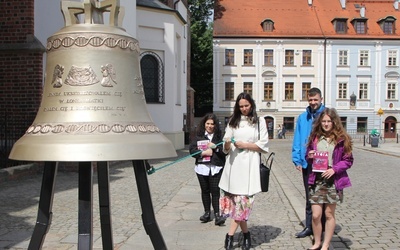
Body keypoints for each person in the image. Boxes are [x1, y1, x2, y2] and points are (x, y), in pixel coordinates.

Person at [219, 92, 269, 250]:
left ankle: (230, 236)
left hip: (249, 166)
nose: (244, 109)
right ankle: (246, 234)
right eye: (241, 106)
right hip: (234, 167)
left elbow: (264, 145)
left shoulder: (259, 121)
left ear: (252, 104)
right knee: (237, 204)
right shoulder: (233, 121)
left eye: (246, 105)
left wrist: (245, 145)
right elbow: (225, 149)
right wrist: (227, 143)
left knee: (243, 204)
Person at [305, 108, 353, 250]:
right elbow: (308, 156)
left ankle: (325, 245)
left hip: (333, 180)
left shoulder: (342, 139)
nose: (326, 124)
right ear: (320, 123)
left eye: (328, 121)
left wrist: (335, 169)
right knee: (315, 215)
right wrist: (310, 155)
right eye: (323, 121)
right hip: (316, 179)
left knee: (329, 214)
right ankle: (317, 242)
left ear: (334, 122)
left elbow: (348, 160)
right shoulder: (314, 137)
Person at [292, 87, 325, 238]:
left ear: (321, 99)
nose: (313, 103)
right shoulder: (302, 117)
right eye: (310, 100)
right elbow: (297, 139)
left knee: (324, 196)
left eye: (315, 100)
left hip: (325, 163)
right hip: (308, 163)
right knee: (310, 195)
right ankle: (309, 226)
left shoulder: (327, 115)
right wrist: (297, 159)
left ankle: (322, 226)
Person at [189, 113, 226, 226]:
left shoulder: (219, 137)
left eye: (212, 124)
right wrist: (203, 153)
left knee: (215, 191)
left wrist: (216, 148)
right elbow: (192, 151)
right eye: (208, 123)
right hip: (202, 168)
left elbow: (224, 152)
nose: (209, 126)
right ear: (204, 124)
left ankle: (217, 214)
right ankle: (206, 213)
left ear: (215, 125)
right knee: (205, 191)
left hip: (215, 167)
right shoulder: (199, 136)